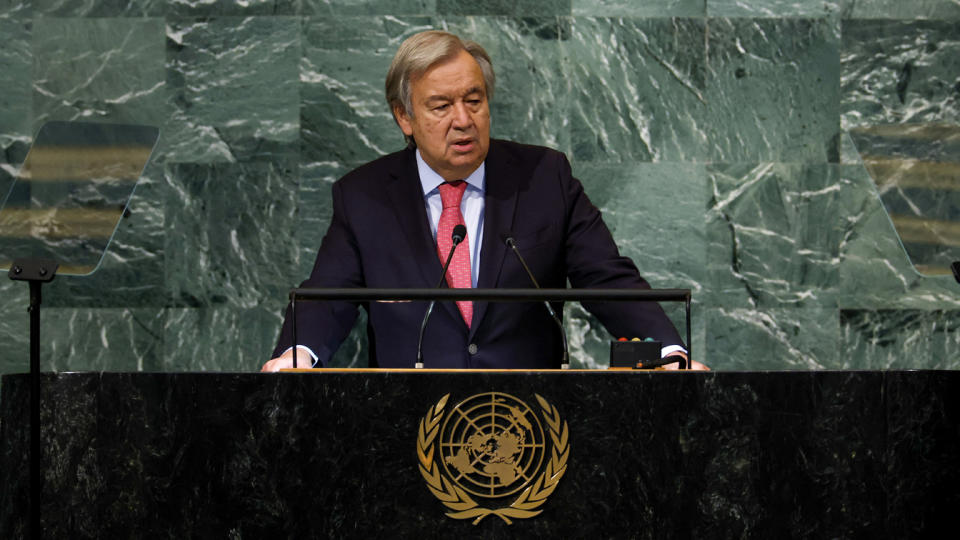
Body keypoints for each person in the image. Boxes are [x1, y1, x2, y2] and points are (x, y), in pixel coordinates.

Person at [262, 30, 705, 371]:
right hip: (405, 431)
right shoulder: (365, 197)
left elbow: (609, 281)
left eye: (474, 100)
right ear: (404, 116)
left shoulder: (544, 178)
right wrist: (297, 355)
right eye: (440, 106)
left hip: (534, 428)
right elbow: (326, 298)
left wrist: (669, 353)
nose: (463, 120)